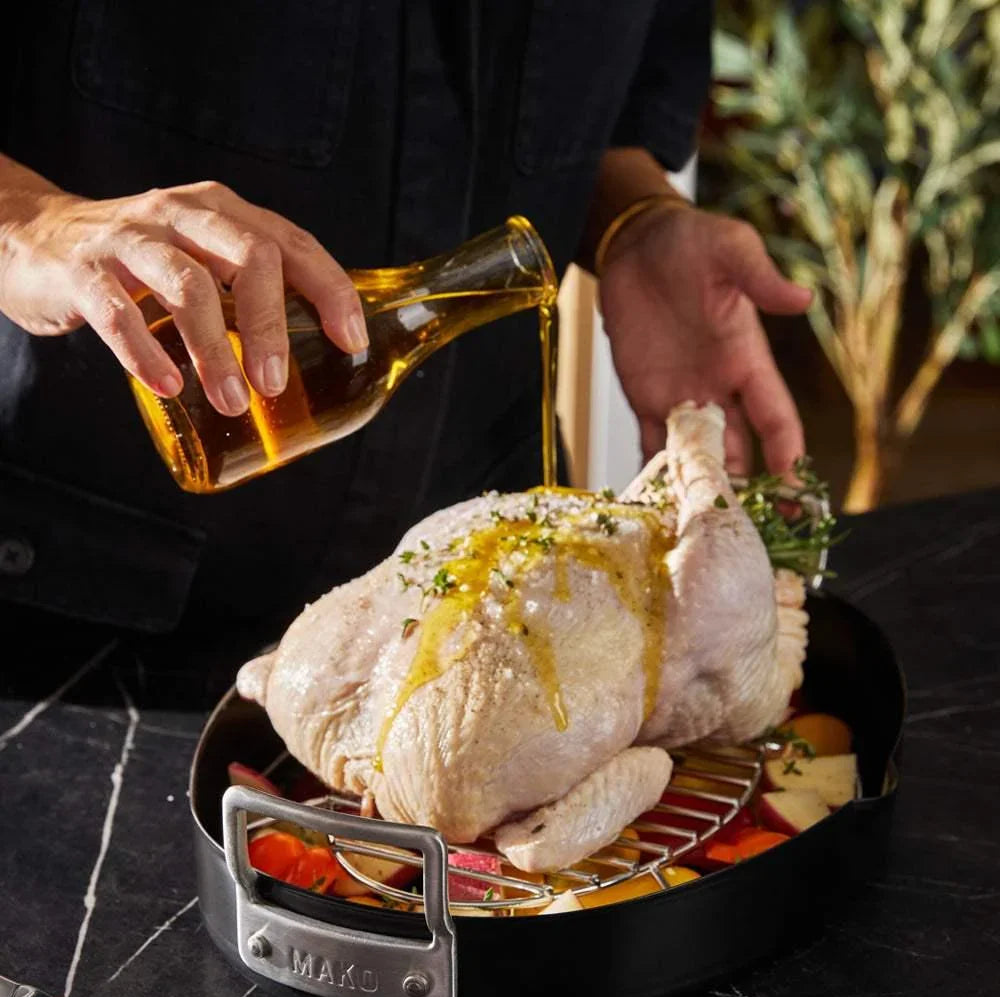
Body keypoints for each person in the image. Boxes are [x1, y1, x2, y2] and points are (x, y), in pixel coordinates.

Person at [0, 2, 810, 639]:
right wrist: (28, 223)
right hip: (77, 580)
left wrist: (639, 219)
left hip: (477, 580)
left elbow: (611, 116)